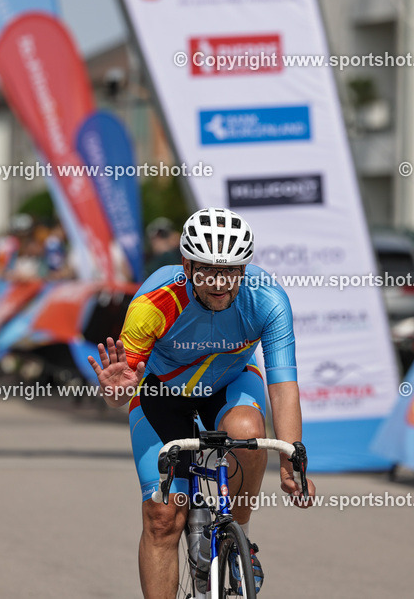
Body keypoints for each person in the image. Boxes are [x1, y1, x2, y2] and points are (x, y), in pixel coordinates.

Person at [88, 207, 315, 599]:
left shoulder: (268, 299)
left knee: (248, 432)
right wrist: (115, 392)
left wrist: (291, 459)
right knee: (163, 518)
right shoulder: (154, 302)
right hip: (162, 394)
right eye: (208, 270)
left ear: (244, 269)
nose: (220, 283)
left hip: (230, 384)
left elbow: (283, 385)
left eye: (231, 271)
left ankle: (239, 540)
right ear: (187, 266)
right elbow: (122, 392)